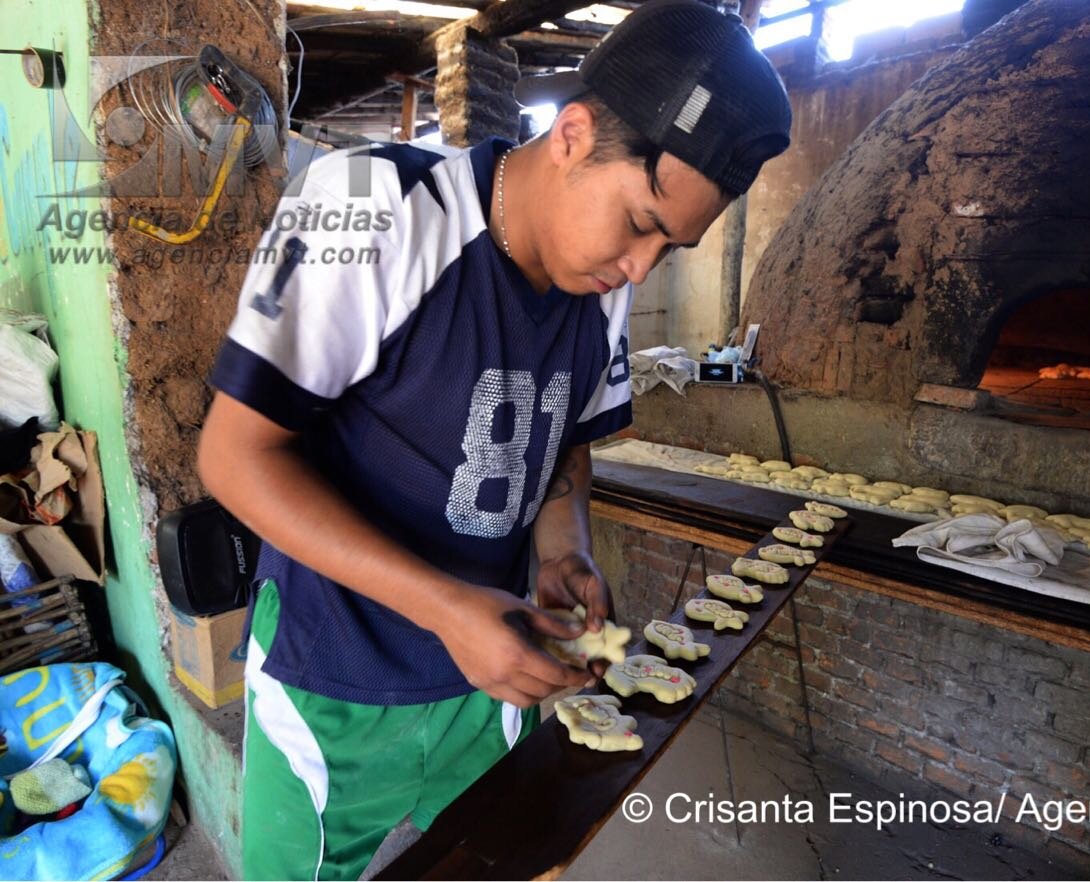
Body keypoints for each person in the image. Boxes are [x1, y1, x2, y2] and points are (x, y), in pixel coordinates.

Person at [196, 0, 791, 877]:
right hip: (335, 675)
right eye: (638, 224)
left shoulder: (607, 287)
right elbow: (234, 457)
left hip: (491, 681)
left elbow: (566, 440)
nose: (639, 270)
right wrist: (447, 611)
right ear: (574, 134)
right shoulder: (372, 208)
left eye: (673, 247)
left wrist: (563, 549)